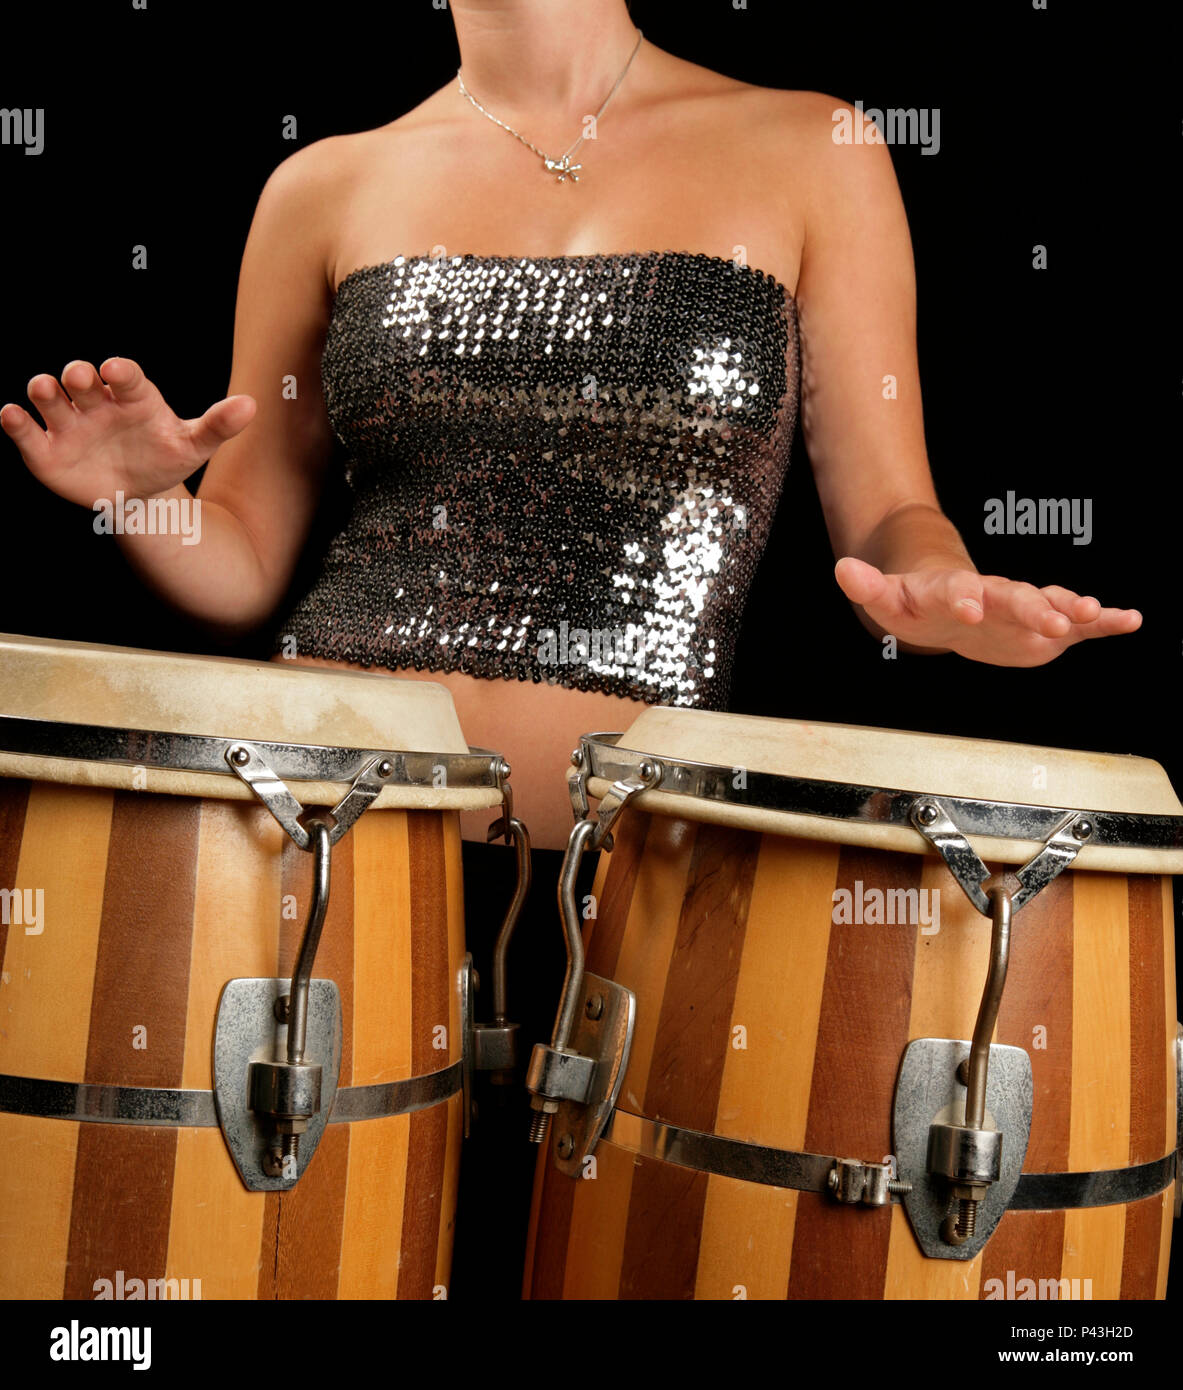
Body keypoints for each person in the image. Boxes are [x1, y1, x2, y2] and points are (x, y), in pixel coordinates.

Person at [0, 0, 1142, 1296]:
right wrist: (134, 496)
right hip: (313, 872)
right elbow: (247, 552)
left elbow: (890, 504)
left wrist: (939, 590)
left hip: (629, 908)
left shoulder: (813, 145)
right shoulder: (319, 185)